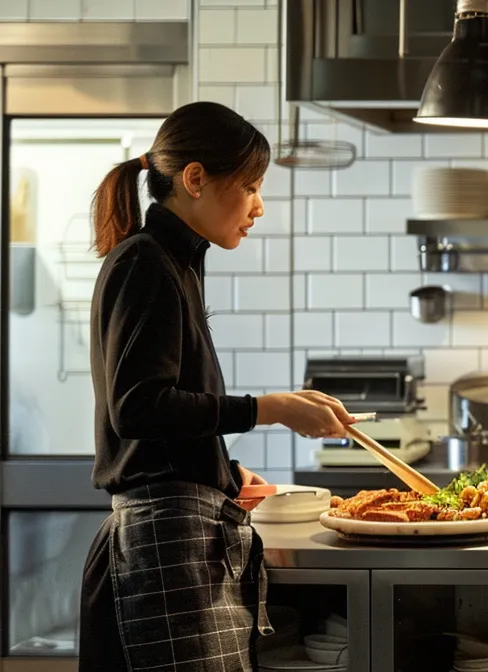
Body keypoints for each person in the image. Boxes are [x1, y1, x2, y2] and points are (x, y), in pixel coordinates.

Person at [78, 102, 357, 671]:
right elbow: (137, 407)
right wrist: (269, 409)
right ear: (196, 178)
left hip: (178, 535)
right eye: (251, 186)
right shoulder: (146, 262)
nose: (259, 205)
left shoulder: (174, 263)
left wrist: (221, 470)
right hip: (165, 545)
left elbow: (163, 408)